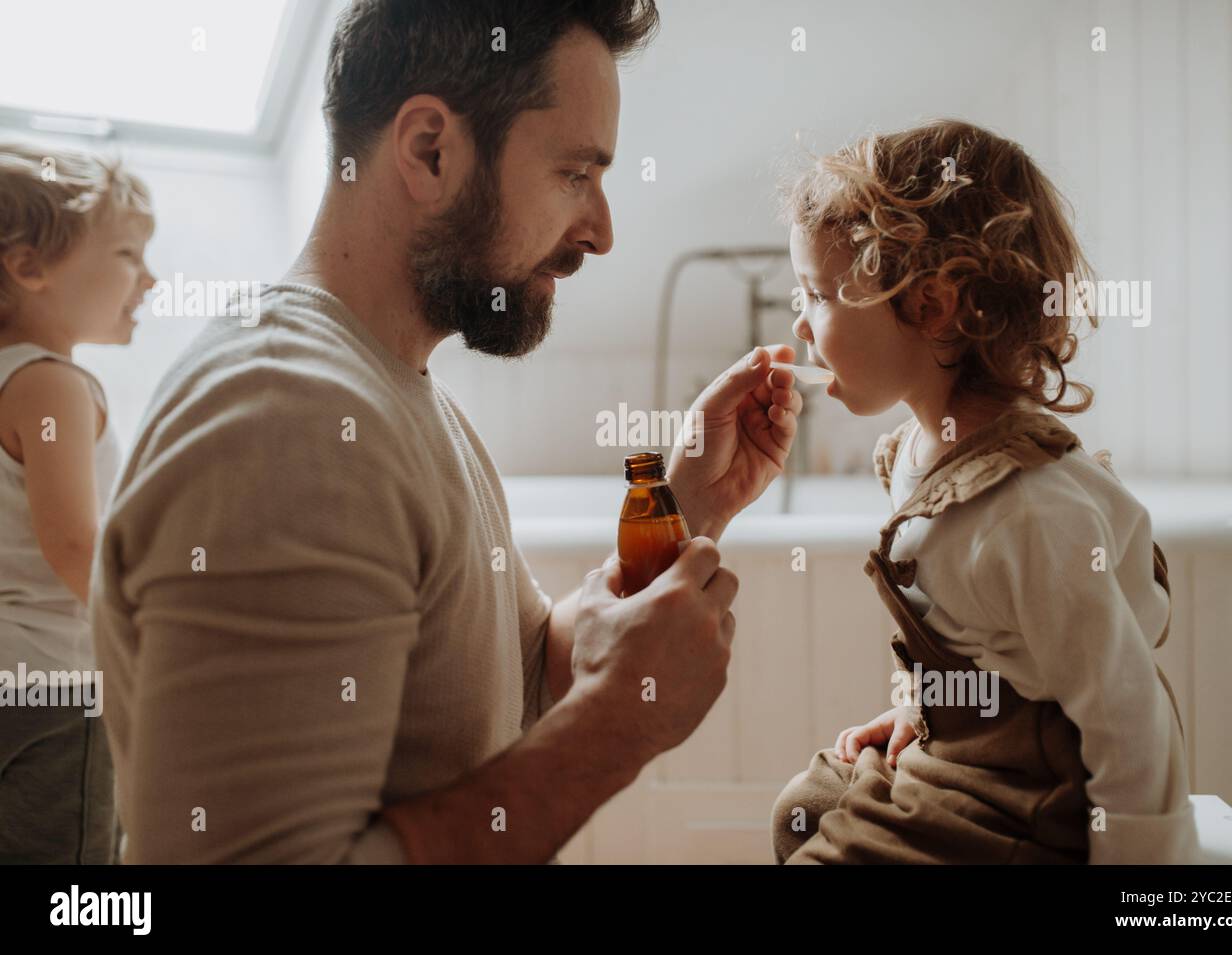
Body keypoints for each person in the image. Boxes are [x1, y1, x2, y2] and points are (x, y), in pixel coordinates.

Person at [90, 0, 804, 863]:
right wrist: (613, 731)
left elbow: (527, 671)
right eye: (576, 173)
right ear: (431, 151)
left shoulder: (397, 393)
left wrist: (680, 507)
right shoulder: (288, 418)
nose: (602, 231)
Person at [771, 119, 1198, 864]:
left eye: (819, 295)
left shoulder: (1030, 508)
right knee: (802, 810)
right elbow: (974, 635)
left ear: (932, 306)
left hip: (1036, 793)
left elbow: (1127, 707)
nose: (801, 325)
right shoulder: (917, 451)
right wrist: (917, 711)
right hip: (973, 748)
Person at [0, 140, 155, 863]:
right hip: (58, 685)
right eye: (128, 255)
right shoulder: (53, 382)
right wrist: (149, 632)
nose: (150, 280)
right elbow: (71, 544)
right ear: (28, 266)